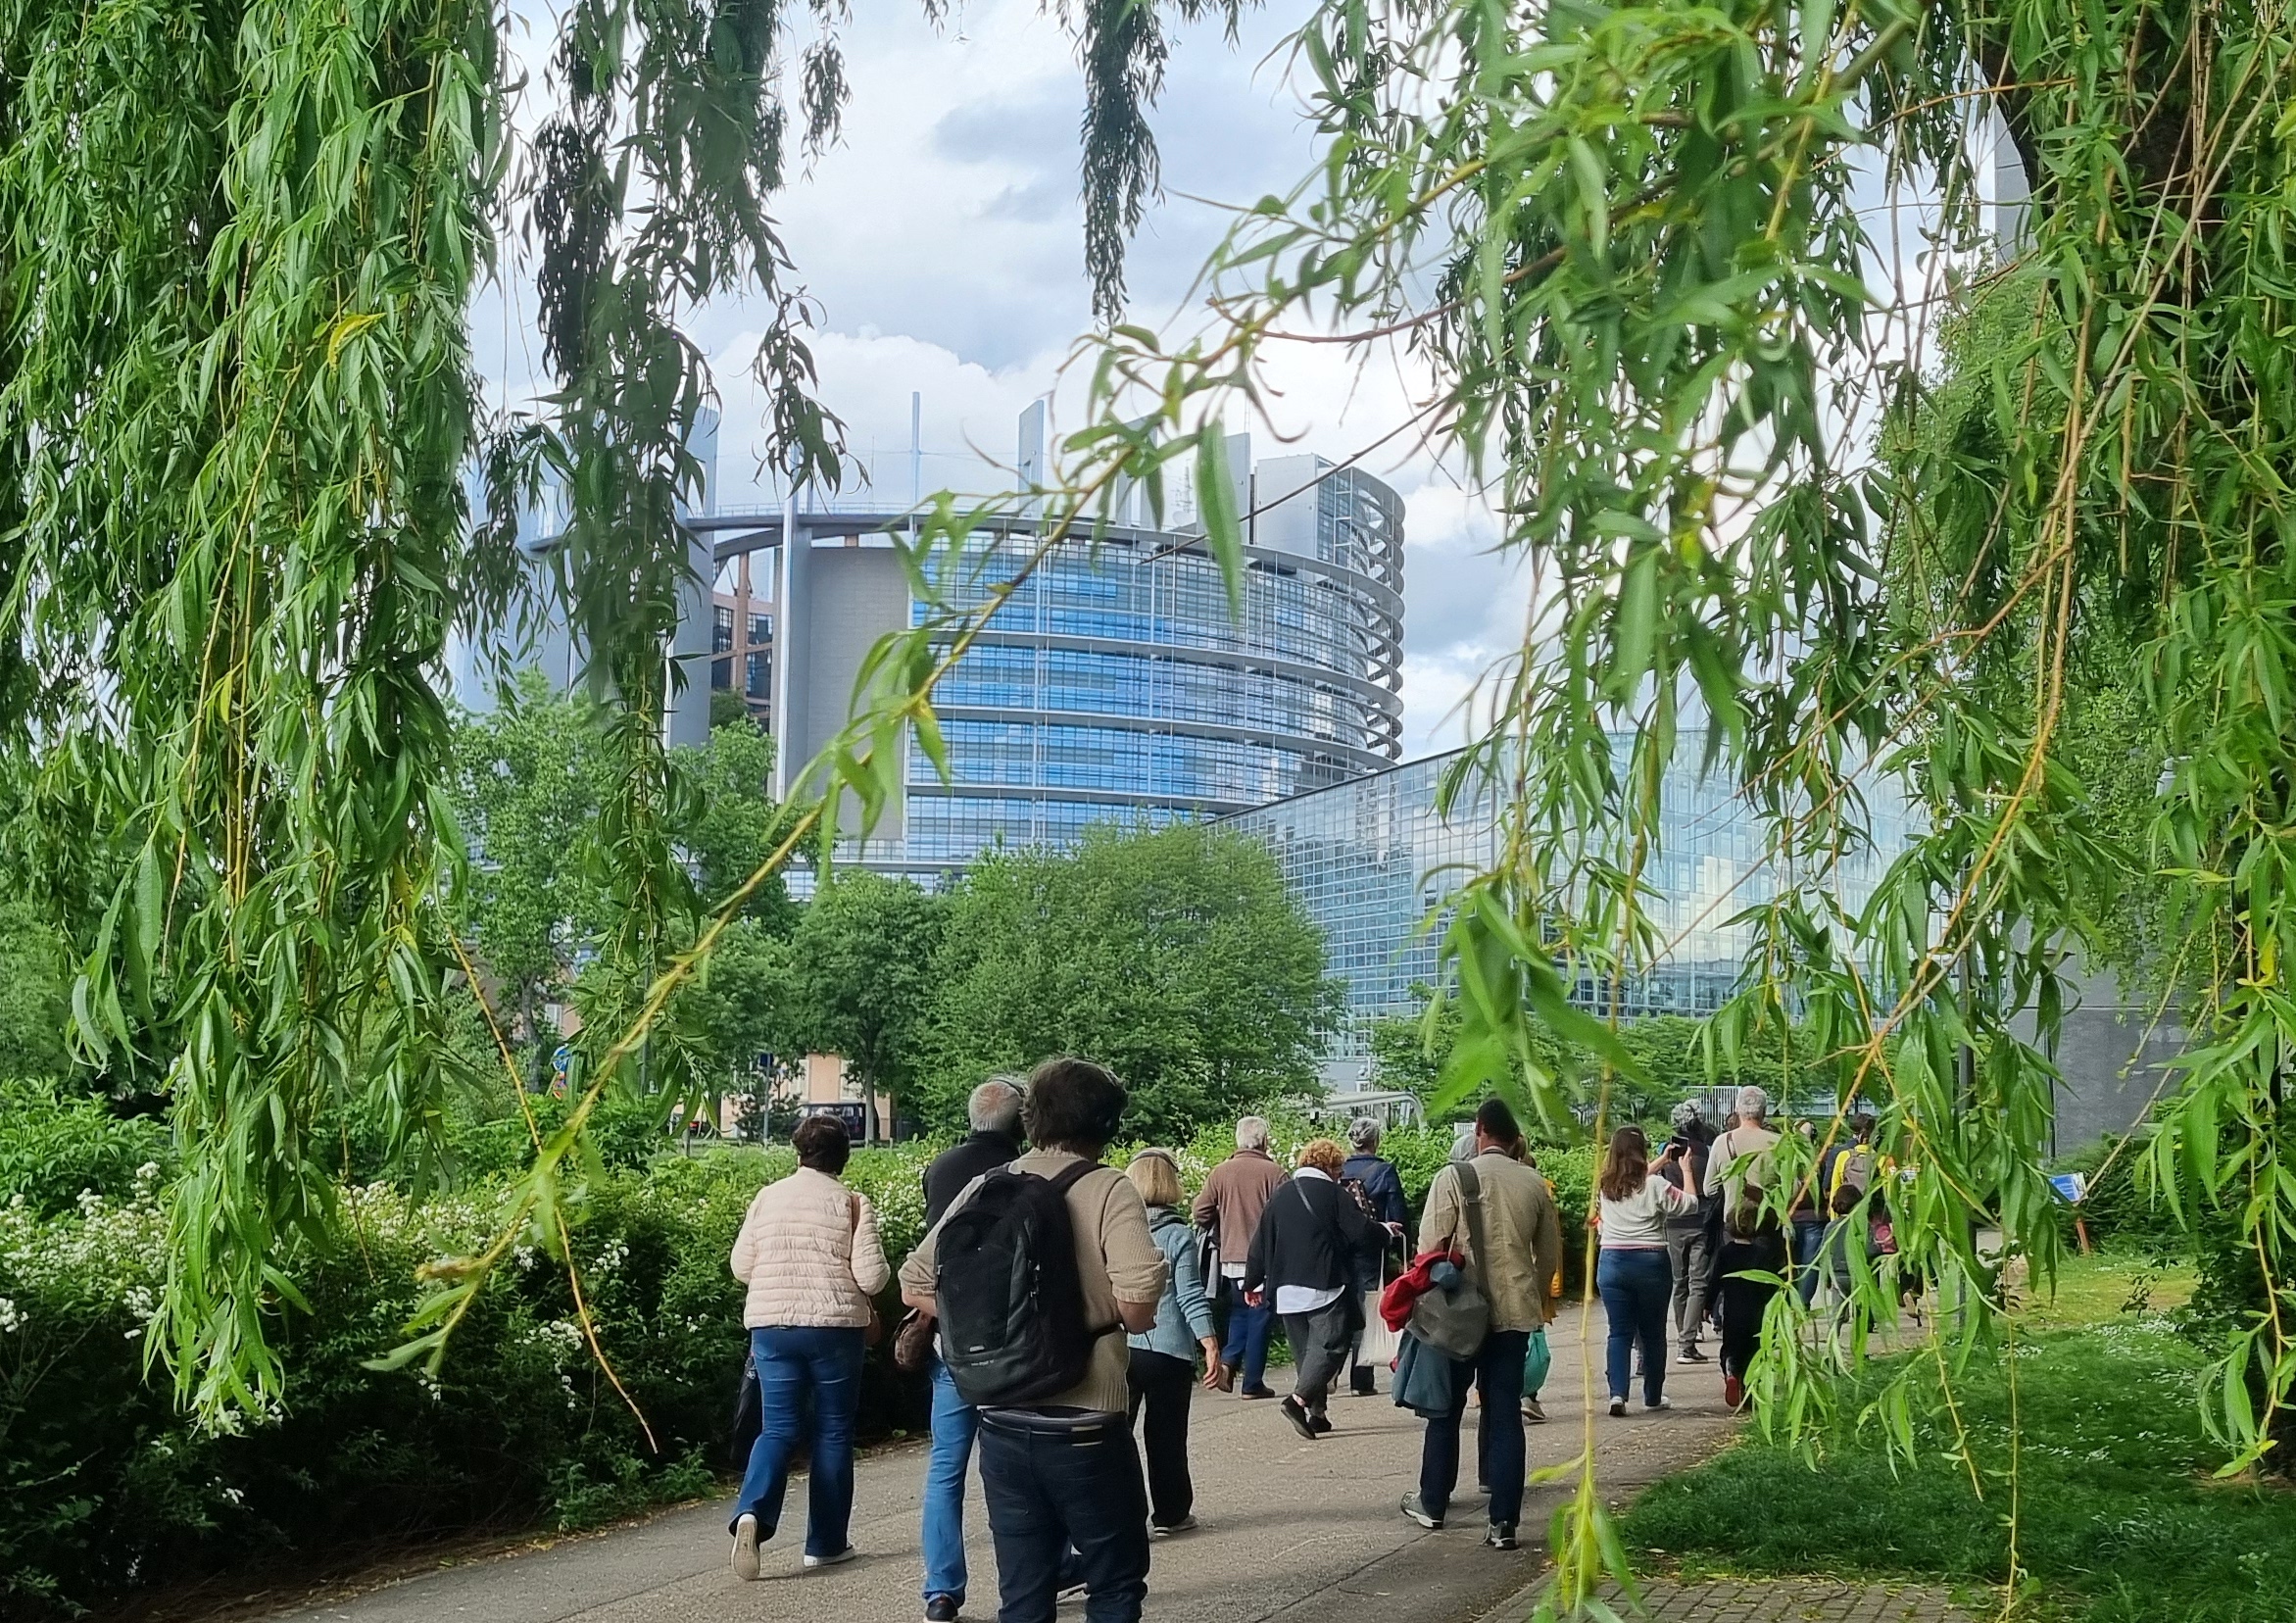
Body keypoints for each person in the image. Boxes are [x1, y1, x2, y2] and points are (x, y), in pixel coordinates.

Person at [899, 1057, 1167, 1623]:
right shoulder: (1108, 1188)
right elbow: (1139, 1312)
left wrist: (997, 1320)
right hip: (1086, 1421)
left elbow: (914, 1283)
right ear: (1105, 1124)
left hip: (1002, 1417)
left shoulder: (986, 1186)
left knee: (1022, 1591)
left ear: (1032, 1119)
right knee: (1114, 1582)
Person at [727, 1114, 891, 1581]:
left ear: (797, 1153)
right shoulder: (851, 1203)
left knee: (776, 1429)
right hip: (834, 1329)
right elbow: (873, 1278)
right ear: (844, 1155)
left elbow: (742, 1266)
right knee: (833, 1432)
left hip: (772, 1328)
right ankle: (825, 1545)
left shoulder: (767, 1197)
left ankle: (752, 1515)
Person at [1400, 1099, 1563, 1551]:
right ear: (1514, 1139)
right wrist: (1536, 1302)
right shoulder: (1534, 1183)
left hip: (1459, 1315)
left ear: (1479, 1131)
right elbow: (1548, 1256)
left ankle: (1433, 1503)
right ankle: (1503, 1523)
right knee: (1505, 1412)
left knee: (1446, 1410)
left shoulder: (1452, 1177)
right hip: (1514, 1316)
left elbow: (1428, 1249)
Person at [916, 1076, 1027, 1623]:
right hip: (1013, 1340)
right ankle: (1044, 1568)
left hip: (951, 1339)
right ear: (1021, 1122)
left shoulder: (939, 1169)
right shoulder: (1024, 1174)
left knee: (945, 1467)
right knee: (1026, 1460)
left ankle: (941, 1588)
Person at [1245, 1137, 1382, 1441]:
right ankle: (1297, 1403)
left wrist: (1251, 1281)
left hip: (1285, 1289)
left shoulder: (1280, 1195)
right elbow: (1360, 1232)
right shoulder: (1333, 1194)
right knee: (1332, 1345)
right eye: (1339, 1168)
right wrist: (1385, 1232)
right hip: (1323, 1283)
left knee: (1306, 1355)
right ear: (1331, 1166)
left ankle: (1318, 1415)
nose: (1340, 1174)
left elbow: (1261, 1240)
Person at [1124, 1148, 1222, 1536]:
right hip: (1169, 1350)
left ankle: (1124, 1514)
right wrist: (1209, 1342)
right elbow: (1189, 1294)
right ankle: (1171, 1513)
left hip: (1123, 1348)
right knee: (1166, 1437)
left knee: (1117, 1437)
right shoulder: (1178, 1234)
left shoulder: (1116, 1231)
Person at [1595, 1125, 1700, 1415]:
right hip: (1650, 1262)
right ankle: (1652, 1395)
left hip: (1612, 1263)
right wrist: (1686, 1170)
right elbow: (1689, 1204)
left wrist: (1663, 1160)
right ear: (1642, 1151)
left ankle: (1617, 1394)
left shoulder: (1605, 1186)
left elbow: (1633, 1182)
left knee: (1618, 1332)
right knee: (1653, 1334)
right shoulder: (1656, 1186)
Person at [1193, 1116, 1287, 1398]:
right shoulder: (1275, 1173)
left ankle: (1230, 1361)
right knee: (1260, 1316)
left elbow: (1200, 1212)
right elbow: (1286, 1215)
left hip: (1231, 1257)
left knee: (1239, 1312)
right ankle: (1252, 1382)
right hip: (1265, 1258)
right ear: (1264, 1141)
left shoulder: (1220, 1173)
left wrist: (1221, 1223)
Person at [1709, 1084, 1784, 1410]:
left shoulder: (1723, 1142)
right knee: (1763, 1307)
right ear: (1764, 1112)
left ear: (1739, 1111)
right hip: (1767, 1232)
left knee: (1734, 1298)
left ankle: (1732, 1364)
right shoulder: (1778, 1143)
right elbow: (1793, 1188)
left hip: (1733, 1229)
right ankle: (1755, 1377)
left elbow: (1708, 1186)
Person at [1341, 1117, 1410, 1395]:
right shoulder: (1384, 1171)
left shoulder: (1337, 1169)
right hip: (1371, 1248)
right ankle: (1361, 1376)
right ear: (1375, 1141)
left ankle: (1329, 1369)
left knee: (1340, 1306)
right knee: (1368, 1307)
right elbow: (1398, 1214)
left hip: (1339, 1249)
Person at [1659, 1100, 1718, 1364]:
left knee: (1678, 1283)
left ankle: (1685, 1339)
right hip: (1700, 1221)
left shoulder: (1666, 1151)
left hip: (1673, 1222)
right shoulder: (1707, 1151)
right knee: (1698, 1284)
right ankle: (1687, 1342)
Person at [1787, 1119, 1827, 1306]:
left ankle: (1792, 1300)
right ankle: (1803, 1303)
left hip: (1792, 1215)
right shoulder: (1820, 1156)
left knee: (1790, 1262)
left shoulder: (1788, 1157)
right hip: (1815, 1216)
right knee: (1810, 1265)